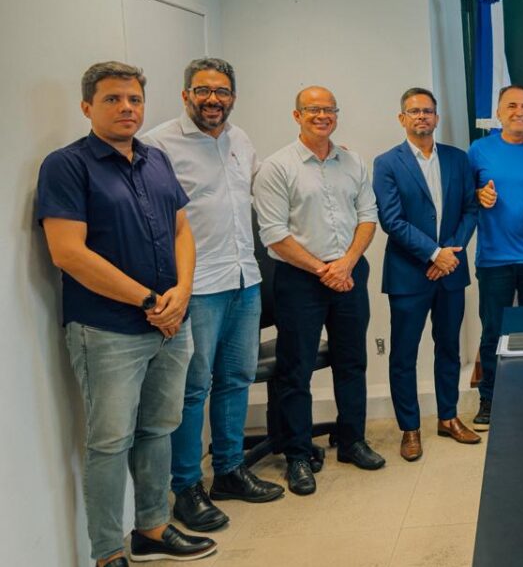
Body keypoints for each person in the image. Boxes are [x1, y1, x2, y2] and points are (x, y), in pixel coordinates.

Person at [37, 61, 216, 566]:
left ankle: (152, 528)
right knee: (110, 442)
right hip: (107, 330)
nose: (126, 108)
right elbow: (68, 253)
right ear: (87, 107)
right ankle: (107, 552)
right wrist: (148, 301)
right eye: (113, 99)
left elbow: (182, 230)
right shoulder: (67, 166)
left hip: (170, 324)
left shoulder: (155, 160)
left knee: (158, 428)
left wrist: (182, 292)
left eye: (134, 99)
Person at [142, 58, 283, 532]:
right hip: (196, 288)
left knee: (236, 379)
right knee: (192, 389)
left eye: (222, 91)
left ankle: (228, 471)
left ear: (233, 97)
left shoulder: (240, 140)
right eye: (202, 91)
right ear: (185, 95)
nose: (212, 100)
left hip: (244, 279)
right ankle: (186, 487)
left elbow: (262, 187)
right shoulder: (158, 145)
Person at [253, 86, 382, 496]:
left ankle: (352, 440)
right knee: (296, 369)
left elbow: (368, 216)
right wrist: (323, 269)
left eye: (329, 109)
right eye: (313, 109)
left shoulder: (353, 161)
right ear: (297, 116)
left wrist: (346, 264)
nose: (322, 116)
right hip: (299, 280)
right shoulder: (277, 167)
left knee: (352, 361)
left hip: (349, 273)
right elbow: (273, 234)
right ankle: (297, 456)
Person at [374, 87, 481, 462]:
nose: (421, 116)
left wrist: (450, 253)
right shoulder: (387, 163)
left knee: (449, 348)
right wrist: (434, 254)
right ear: (402, 118)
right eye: (414, 111)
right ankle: (410, 428)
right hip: (408, 274)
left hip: (450, 272)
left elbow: (470, 210)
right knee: (404, 354)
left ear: (437, 117)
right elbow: (392, 220)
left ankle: (448, 417)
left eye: (427, 111)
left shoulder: (457, 159)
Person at [467, 85, 523, 429]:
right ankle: (490, 398)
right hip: (494, 258)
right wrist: (478, 194)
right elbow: (463, 196)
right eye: (512, 106)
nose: (520, 111)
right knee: (493, 331)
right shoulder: (478, 150)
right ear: (499, 113)